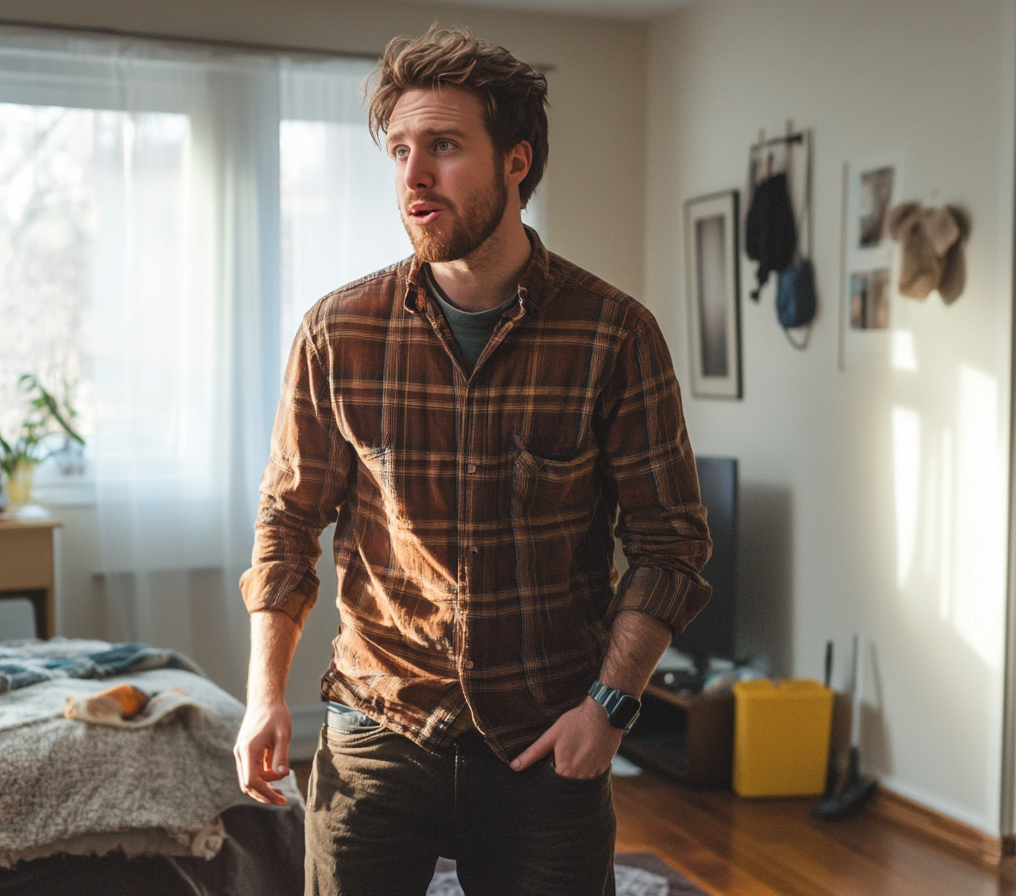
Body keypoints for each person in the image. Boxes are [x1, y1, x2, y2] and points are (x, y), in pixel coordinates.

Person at [234, 25, 712, 896]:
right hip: (376, 730)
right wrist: (266, 692)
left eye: (444, 147)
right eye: (401, 150)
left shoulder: (612, 334)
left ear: (516, 161)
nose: (413, 176)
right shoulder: (338, 332)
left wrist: (609, 709)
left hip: (547, 741)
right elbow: (289, 521)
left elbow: (671, 544)